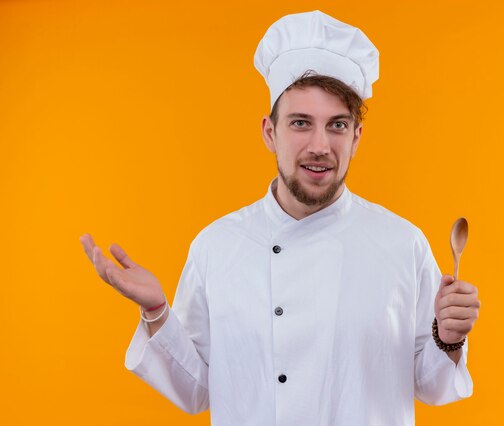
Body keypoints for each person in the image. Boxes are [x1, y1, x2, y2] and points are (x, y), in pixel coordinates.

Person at [80, 10, 480, 426]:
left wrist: (448, 339)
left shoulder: (402, 244)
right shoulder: (216, 246)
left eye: (338, 125)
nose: (320, 145)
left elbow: (432, 386)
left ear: (356, 137)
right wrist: (157, 312)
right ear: (270, 132)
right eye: (301, 123)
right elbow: (196, 391)